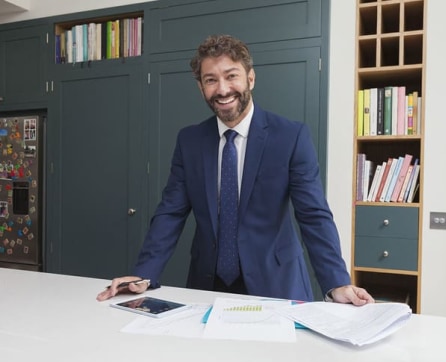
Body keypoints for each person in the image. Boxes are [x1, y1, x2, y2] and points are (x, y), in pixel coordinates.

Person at [97, 34, 374, 305]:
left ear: (250, 78)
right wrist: (144, 273)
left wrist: (336, 281)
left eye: (231, 76)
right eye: (210, 80)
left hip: (276, 283)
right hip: (207, 285)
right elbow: (171, 212)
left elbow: (313, 214)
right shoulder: (189, 141)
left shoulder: (291, 137)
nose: (222, 89)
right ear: (200, 87)